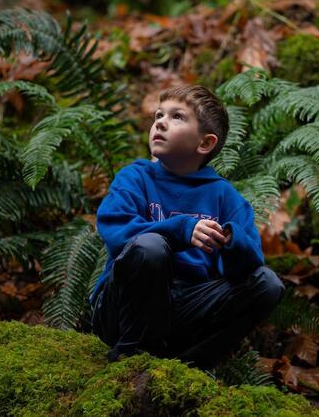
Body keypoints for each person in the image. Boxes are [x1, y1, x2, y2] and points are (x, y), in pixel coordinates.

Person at [90, 85, 284, 368]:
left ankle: (191, 365)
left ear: (204, 144)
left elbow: (250, 263)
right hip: (121, 311)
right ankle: (134, 359)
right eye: (159, 114)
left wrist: (229, 240)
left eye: (177, 117)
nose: (160, 122)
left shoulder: (226, 198)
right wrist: (181, 229)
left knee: (268, 284)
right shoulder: (135, 177)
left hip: (185, 309)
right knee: (151, 246)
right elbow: (115, 229)